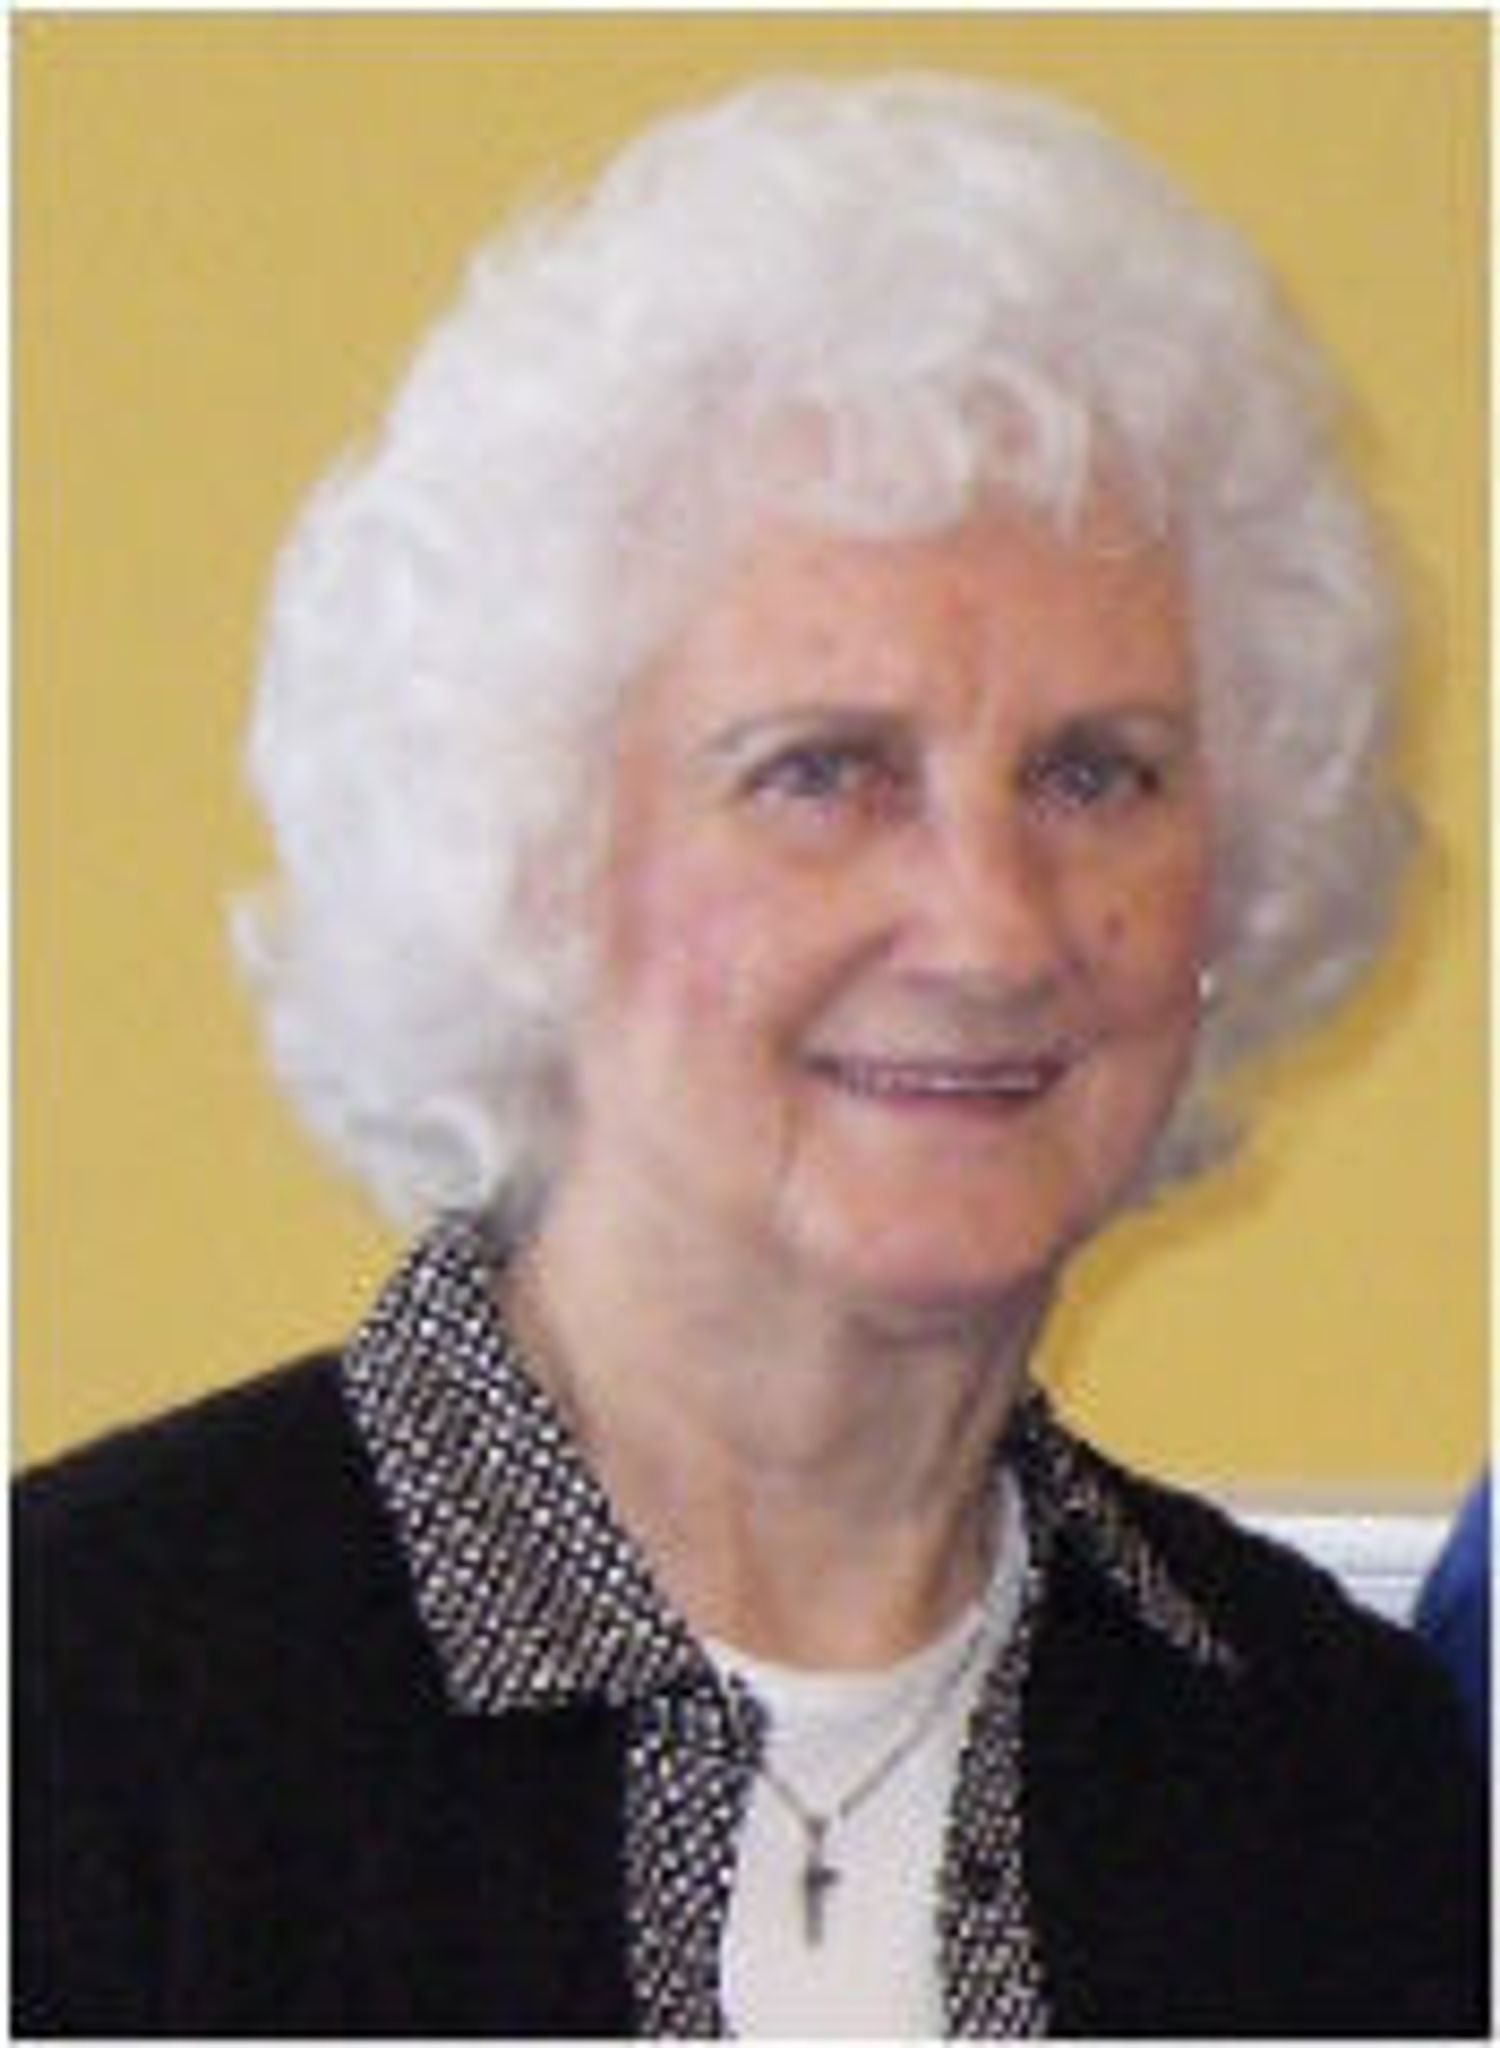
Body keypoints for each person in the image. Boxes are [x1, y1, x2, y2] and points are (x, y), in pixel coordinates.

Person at [15, 73, 1486, 2037]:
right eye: (823, 772)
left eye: (1095, 774)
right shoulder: (74, 1722)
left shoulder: (1335, 1773)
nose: (992, 926)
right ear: (529, 860)